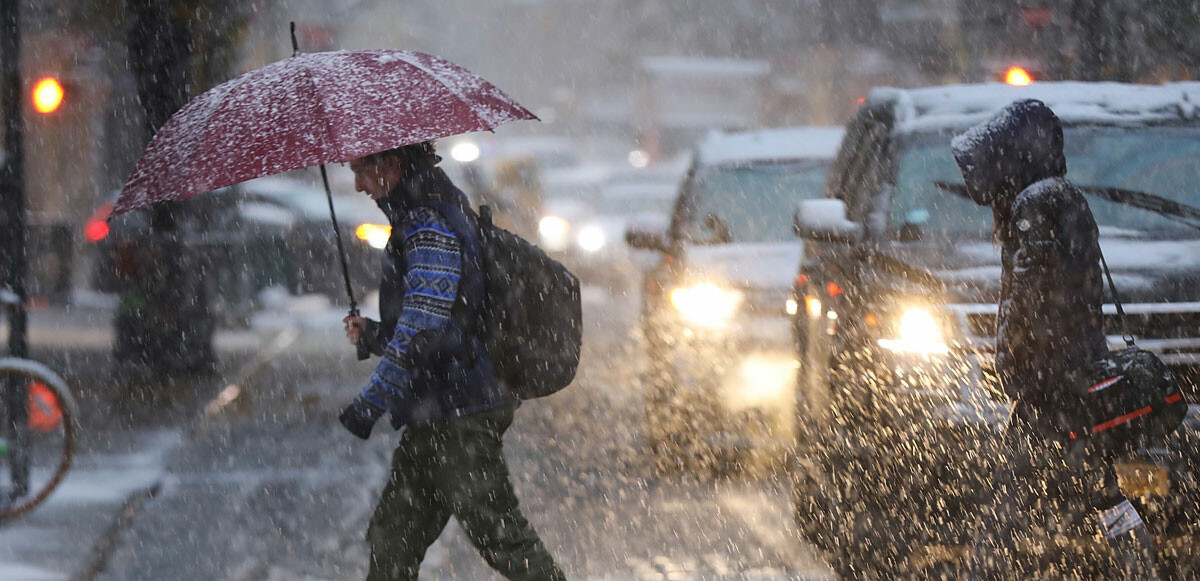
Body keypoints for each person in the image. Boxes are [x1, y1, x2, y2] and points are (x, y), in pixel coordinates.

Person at [339, 142, 565, 581]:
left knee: (503, 539)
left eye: (362, 171)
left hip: (459, 414)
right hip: (438, 412)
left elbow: (422, 331)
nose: (358, 184)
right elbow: (436, 323)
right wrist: (373, 334)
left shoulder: (427, 223)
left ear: (391, 164)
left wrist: (370, 403)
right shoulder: (420, 214)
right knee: (392, 536)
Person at [952, 100, 1158, 578]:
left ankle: (985, 573)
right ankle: (1137, 566)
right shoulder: (1060, 197)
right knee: (1102, 491)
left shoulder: (1035, 206)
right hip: (1072, 375)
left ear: (1014, 154)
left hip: (1051, 385)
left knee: (1008, 502)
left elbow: (1028, 302)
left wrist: (1018, 368)